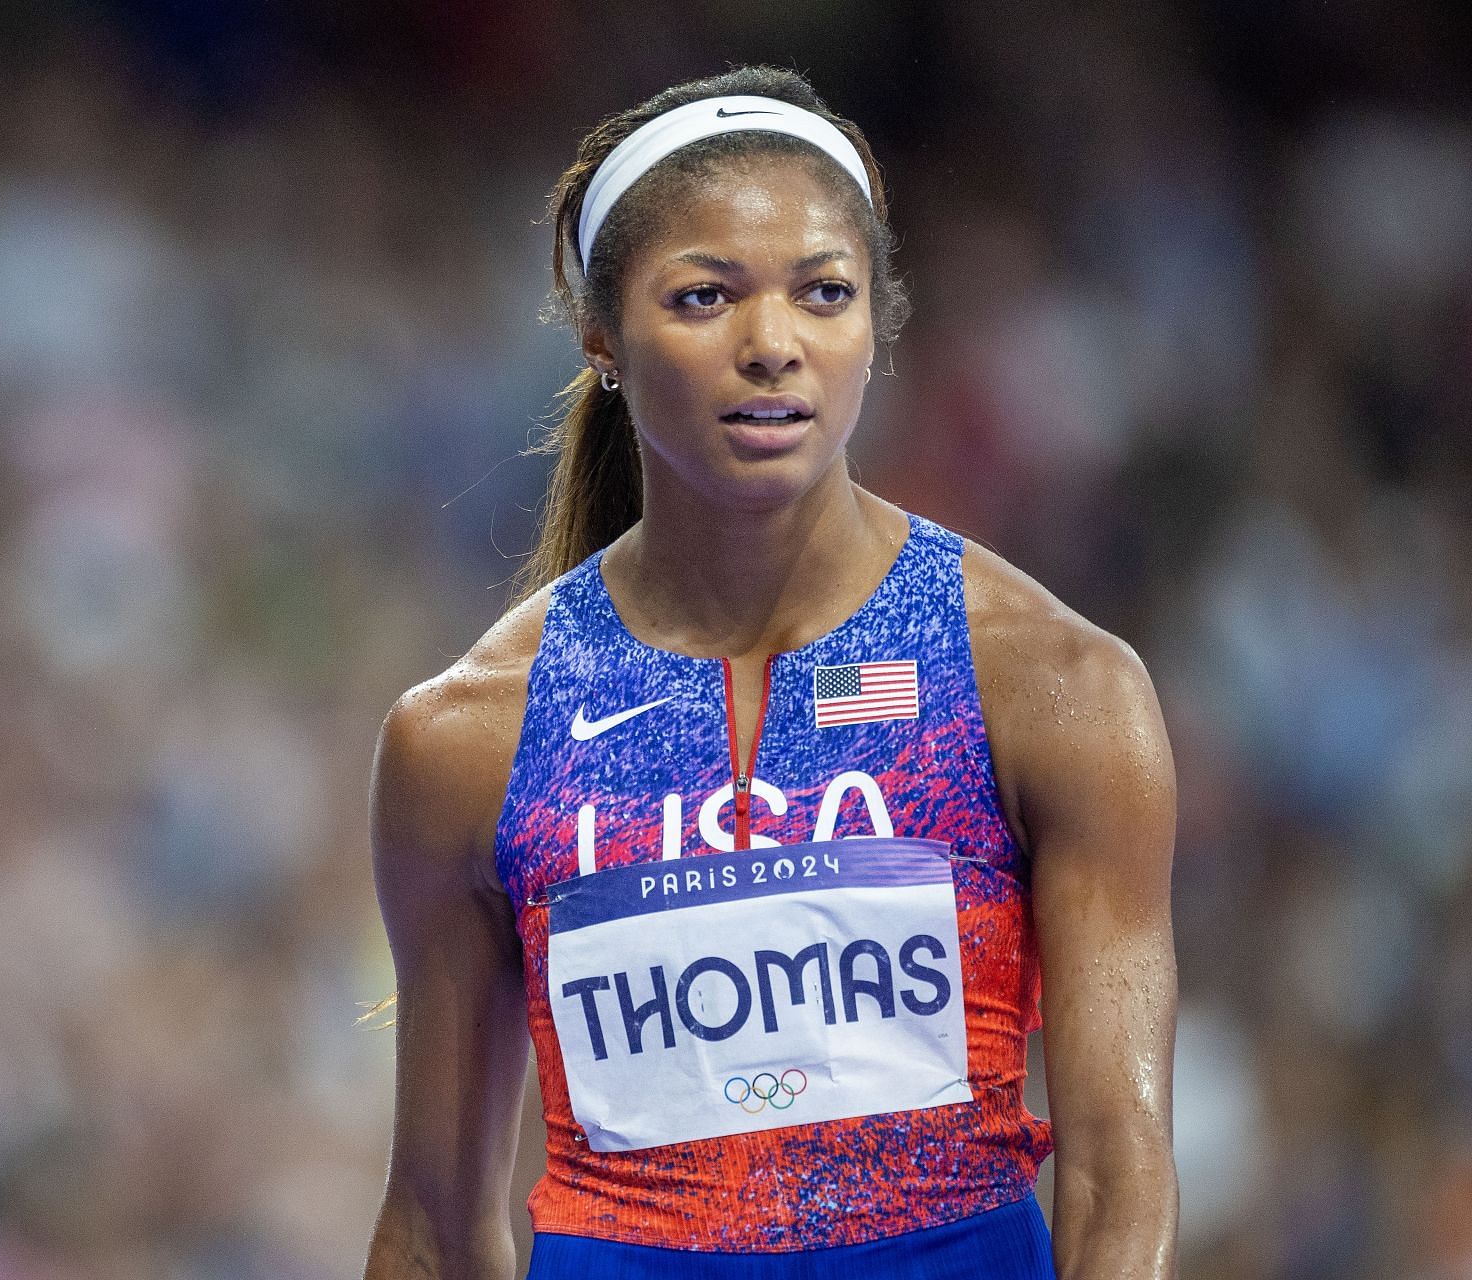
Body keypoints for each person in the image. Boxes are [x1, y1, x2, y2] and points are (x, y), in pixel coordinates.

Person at [362, 65, 1177, 1280]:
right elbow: (434, 1217)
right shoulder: (468, 736)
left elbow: (1121, 1174)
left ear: (876, 321)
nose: (772, 346)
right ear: (602, 336)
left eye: (824, 294)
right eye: (703, 297)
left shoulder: (1054, 685)